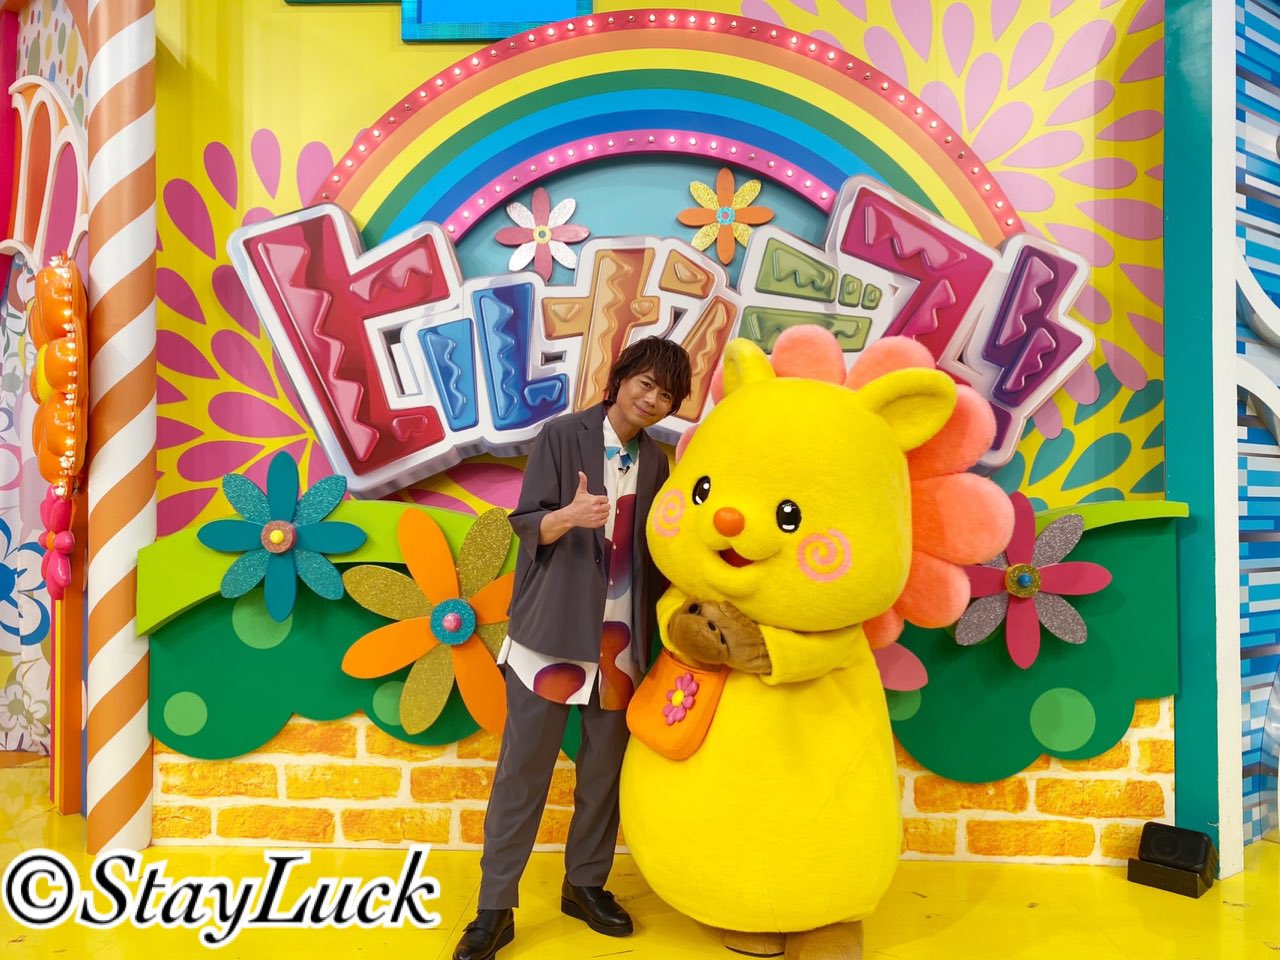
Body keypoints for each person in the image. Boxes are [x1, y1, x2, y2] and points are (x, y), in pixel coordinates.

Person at [452, 337, 693, 960]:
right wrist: (568, 516)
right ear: (621, 378)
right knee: (522, 773)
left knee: (603, 773)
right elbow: (526, 522)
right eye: (646, 383)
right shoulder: (562, 436)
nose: (652, 399)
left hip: (621, 643)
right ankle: (494, 908)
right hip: (551, 636)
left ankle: (584, 884)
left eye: (666, 395)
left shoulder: (658, 461)